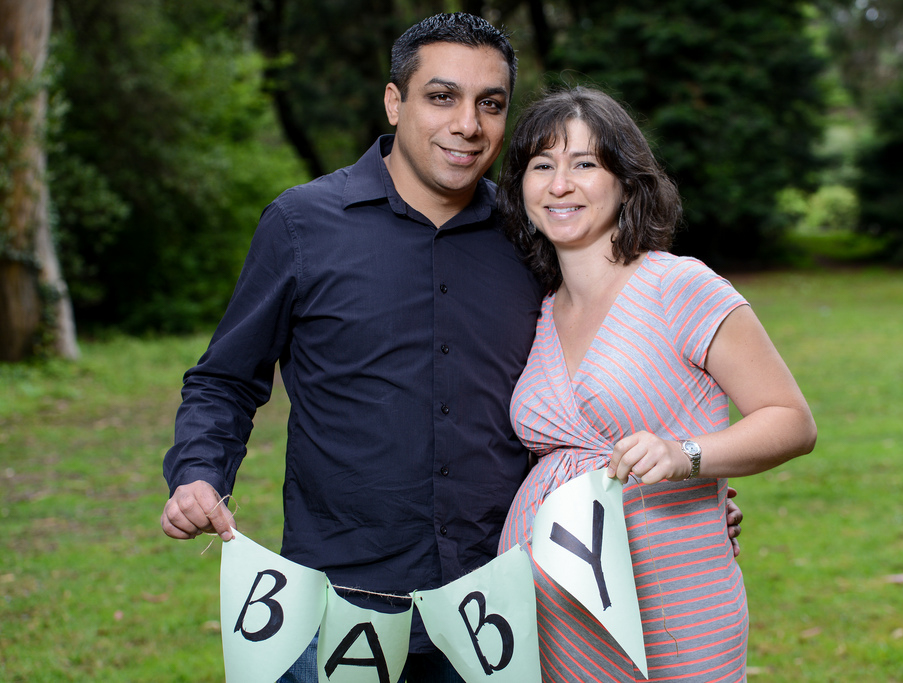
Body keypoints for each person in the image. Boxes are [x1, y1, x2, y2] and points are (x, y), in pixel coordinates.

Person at [160, 13, 742, 683]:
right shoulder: (302, 224)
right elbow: (225, 380)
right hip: (336, 599)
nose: (468, 123)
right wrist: (199, 472)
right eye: (442, 96)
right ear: (394, 101)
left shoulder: (534, 237)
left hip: (501, 600)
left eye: (490, 103)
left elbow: (588, 390)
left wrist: (689, 494)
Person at [496, 86, 816, 682]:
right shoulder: (537, 312)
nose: (559, 184)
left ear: (626, 179)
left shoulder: (678, 286)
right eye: (542, 165)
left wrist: (686, 455)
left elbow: (792, 420)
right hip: (555, 614)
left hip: (672, 597)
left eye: (584, 164)